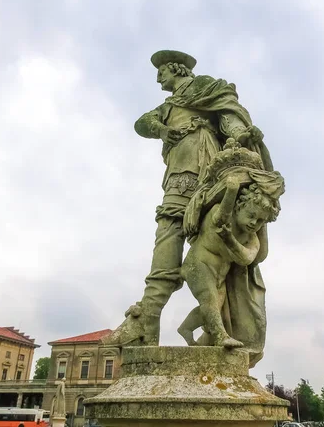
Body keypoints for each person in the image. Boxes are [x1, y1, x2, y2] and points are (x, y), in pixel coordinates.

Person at [104, 50, 273, 347]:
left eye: (162, 74)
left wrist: (241, 135)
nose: (158, 81)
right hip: (178, 173)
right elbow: (142, 123)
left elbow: (228, 118)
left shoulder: (205, 87)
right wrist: (161, 129)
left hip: (209, 171)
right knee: (168, 235)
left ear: (176, 69)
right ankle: (147, 317)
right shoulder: (167, 106)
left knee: (215, 244)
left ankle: (214, 329)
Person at [178, 168, 283, 350]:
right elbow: (221, 219)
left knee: (213, 308)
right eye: (251, 215)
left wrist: (230, 239)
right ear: (240, 205)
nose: (254, 223)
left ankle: (185, 328)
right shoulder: (220, 211)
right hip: (198, 265)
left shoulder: (251, 238)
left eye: (259, 221)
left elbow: (247, 258)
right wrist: (231, 192)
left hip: (219, 275)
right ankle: (221, 337)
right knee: (209, 300)